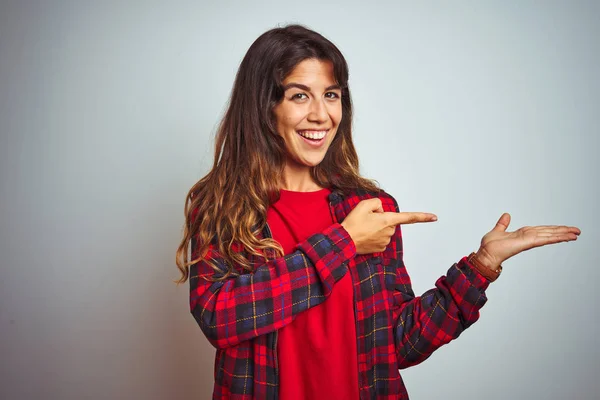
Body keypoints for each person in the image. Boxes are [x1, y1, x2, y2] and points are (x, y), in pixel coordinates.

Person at [175, 24, 580, 400]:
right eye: (300, 95)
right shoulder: (222, 205)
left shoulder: (369, 209)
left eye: (331, 94)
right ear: (265, 107)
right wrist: (344, 242)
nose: (321, 114)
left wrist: (481, 266)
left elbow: (397, 344)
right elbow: (219, 318)